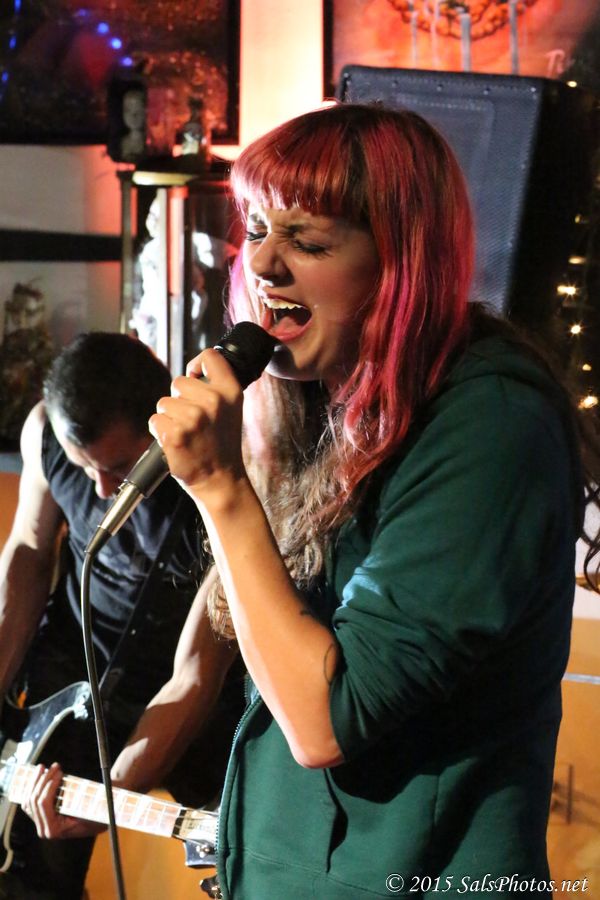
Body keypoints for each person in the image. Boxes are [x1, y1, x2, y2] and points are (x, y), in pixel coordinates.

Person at [29, 103, 599, 897]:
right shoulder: (311, 413)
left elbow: (327, 719)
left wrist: (221, 488)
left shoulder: (490, 427)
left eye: (309, 241)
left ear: (401, 262)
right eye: (259, 229)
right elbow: (213, 654)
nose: (264, 264)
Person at [0, 332, 242, 900]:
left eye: (117, 466)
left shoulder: (224, 471)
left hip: (177, 689)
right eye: (84, 469)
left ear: (160, 425)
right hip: (70, 673)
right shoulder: (43, 431)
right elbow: (29, 551)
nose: (104, 488)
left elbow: (196, 673)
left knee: (236, 843)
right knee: (33, 877)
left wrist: (110, 799)